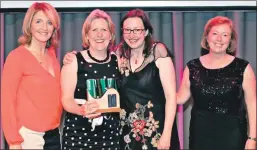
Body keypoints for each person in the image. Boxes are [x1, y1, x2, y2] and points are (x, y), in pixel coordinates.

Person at [177, 16, 256, 150]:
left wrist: (252, 138)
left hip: (234, 135)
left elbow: (252, 105)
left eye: (225, 35)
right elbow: (180, 98)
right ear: (207, 37)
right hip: (200, 136)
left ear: (230, 40)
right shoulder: (192, 67)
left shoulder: (243, 67)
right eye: (215, 34)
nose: (219, 39)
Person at [1, 2, 62, 149]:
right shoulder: (17, 57)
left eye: (49, 22)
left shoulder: (52, 56)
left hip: (53, 135)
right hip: (28, 136)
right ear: (30, 25)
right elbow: (7, 102)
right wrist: (14, 142)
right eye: (38, 21)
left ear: (54, 27)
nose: (44, 27)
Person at [116, 9, 180, 150]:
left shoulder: (158, 51)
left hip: (157, 132)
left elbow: (171, 97)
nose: (132, 35)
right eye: (127, 30)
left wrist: (166, 134)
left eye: (137, 30)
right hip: (128, 135)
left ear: (145, 32)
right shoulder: (119, 54)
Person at [60, 9, 120, 150]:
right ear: (86, 35)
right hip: (78, 137)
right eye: (94, 30)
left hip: (111, 139)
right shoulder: (73, 61)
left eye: (104, 30)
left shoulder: (118, 61)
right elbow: (66, 100)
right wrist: (82, 110)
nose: (99, 34)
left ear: (111, 35)